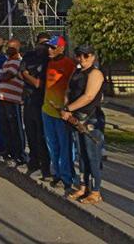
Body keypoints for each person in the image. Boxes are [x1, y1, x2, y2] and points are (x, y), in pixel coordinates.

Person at [63, 45, 106, 204]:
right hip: (76, 118)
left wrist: (68, 108)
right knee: (81, 155)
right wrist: (65, 109)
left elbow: (88, 97)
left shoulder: (95, 73)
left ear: (93, 56)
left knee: (92, 155)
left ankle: (95, 191)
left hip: (91, 119)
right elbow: (68, 91)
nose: (82, 58)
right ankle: (83, 186)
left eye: (86, 56)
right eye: (79, 55)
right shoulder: (77, 72)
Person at [42, 36, 77, 189]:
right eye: (49, 47)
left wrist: (68, 109)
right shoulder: (50, 63)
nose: (50, 50)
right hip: (47, 110)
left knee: (65, 146)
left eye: (53, 47)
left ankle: (67, 176)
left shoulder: (69, 65)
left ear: (61, 48)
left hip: (62, 113)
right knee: (52, 144)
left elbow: (73, 89)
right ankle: (56, 172)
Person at [20, 33, 52, 178]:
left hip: (43, 102)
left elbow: (40, 84)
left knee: (41, 136)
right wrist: (29, 77)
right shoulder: (29, 56)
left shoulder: (49, 61)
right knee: (30, 133)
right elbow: (21, 72)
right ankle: (33, 161)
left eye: (46, 44)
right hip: (28, 99)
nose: (43, 47)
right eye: (41, 43)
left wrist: (29, 77)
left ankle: (44, 166)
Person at [0, 39, 26, 165]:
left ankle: (19, 154)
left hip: (13, 99)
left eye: (11, 47)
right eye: (7, 47)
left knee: (15, 127)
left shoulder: (18, 61)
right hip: (3, 97)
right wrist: (3, 76)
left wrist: (3, 76)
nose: (8, 49)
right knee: (6, 126)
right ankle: (9, 150)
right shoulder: (7, 61)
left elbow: (7, 76)